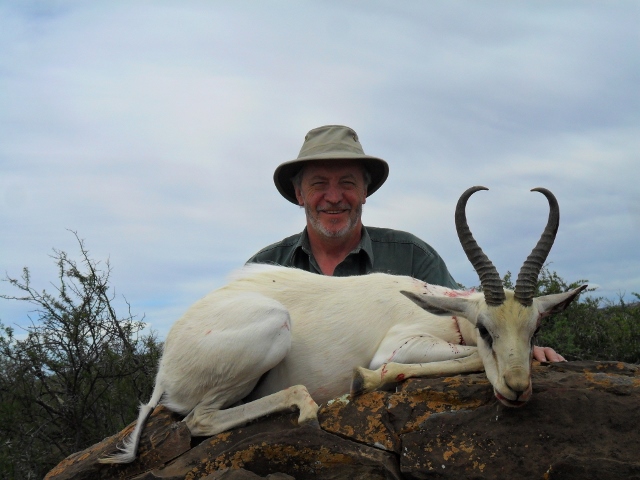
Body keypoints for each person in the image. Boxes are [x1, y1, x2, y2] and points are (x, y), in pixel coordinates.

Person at [247, 124, 564, 362]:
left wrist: (517, 347)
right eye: (318, 184)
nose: (333, 197)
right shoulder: (265, 269)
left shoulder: (414, 257)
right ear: (300, 194)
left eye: (347, 183)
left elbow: (472, 323)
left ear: (364, 192)